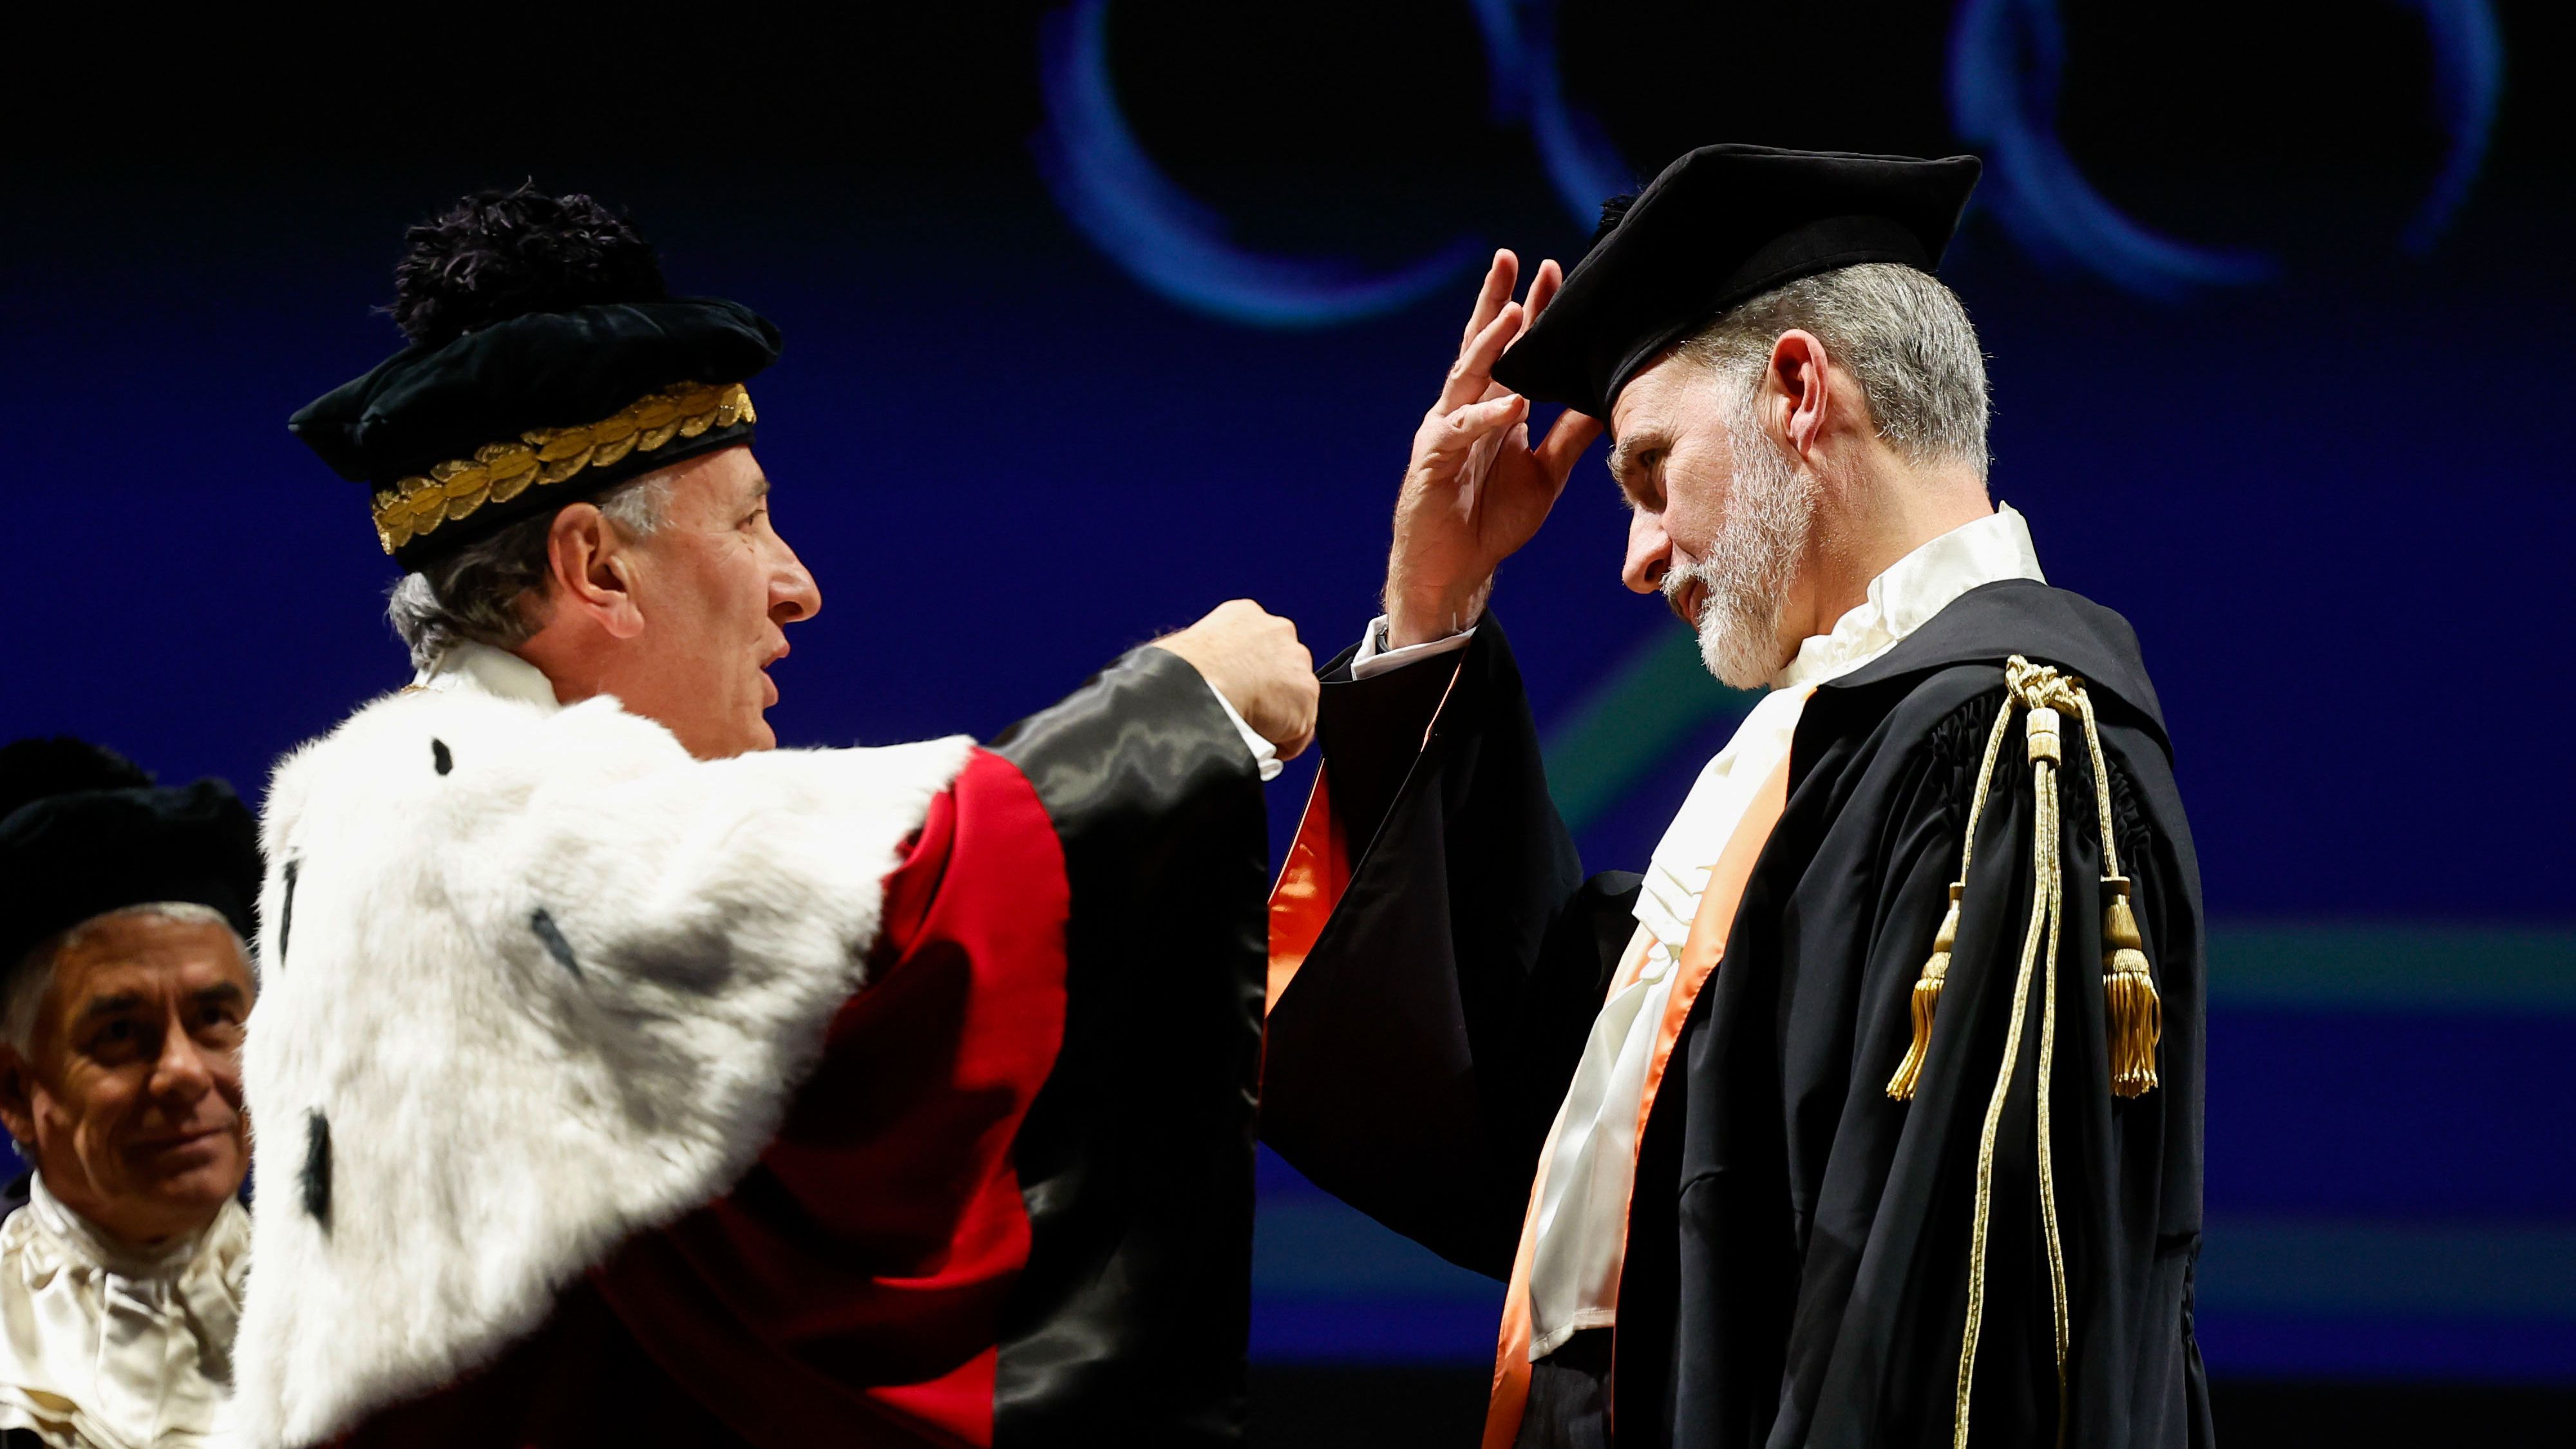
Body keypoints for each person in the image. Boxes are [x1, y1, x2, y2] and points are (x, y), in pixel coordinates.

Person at [230, 187, 1317, 1448]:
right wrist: (1186, 712)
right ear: (594, 569)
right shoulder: (462, 818)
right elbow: (903, 889)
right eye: (746, 523)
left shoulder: (397, 809)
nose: (796, 586)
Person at [1259, 144, 2211, 1448]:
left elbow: (1952, 1354)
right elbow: (1540, 1109)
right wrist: (1433, 616)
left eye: (1649, 471)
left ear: (1798, 392)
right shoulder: (1822, 748)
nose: (1637, 560)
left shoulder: (2000, 748)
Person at [0, 737, 263, 1449]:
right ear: (15, 1090)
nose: (182, 1071)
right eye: (120, 1033)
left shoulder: (378, 1316)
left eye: (214, 1020)